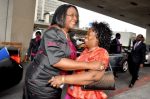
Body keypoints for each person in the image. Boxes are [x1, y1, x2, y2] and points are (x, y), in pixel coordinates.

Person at [23, 4, 103, 99]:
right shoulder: (52, 32)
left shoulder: (66, 34)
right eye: (72, 15)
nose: (75, 18)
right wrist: (89, 65)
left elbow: (67, 51)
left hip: (55, 81)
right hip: (41, 81)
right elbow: (58, 61)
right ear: (61, 16)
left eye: (76, 16)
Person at [49, 21, 112, 99]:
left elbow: (93, 76)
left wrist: (63, 79)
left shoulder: (101, 53)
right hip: (72, 93)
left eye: (88, 34)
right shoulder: (86, 51)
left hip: (87, 96)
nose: (85, 36)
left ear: (98, 39)